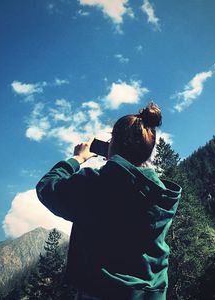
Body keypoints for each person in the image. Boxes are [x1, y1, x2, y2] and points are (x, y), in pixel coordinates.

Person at [36, 102, 182, 300]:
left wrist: (76, 159)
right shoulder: (162, 195)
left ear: (113, 144)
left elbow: (47, 188)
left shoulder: (95, 185)